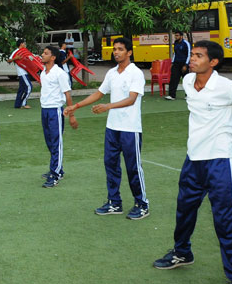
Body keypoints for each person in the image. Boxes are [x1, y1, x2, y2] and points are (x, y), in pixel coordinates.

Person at [152, 40, 232, 283]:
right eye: (192, 55)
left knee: (226, 220)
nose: (192, 59)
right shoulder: (188, 81)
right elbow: (211, 105)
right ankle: (182, 253)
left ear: (213, 62)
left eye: (199, 56)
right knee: (184, 212)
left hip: (220, 160)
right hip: (193, 159)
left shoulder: (229, 86)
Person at [64, 37, 149, 219]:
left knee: (133, 167)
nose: (116, 52)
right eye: (114, 49)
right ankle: (114, 202)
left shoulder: (136, 73)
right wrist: (76, 106)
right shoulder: (111, 73)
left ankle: (142, 204)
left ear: (129, 53)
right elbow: (98, 93)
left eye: (120, 49)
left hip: (130, 128)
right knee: (110, 165)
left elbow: (132, 99)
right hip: (112, 128)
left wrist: (107, 107)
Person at [39, 46, 77, 188]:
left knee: (56, 142)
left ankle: (55, 175)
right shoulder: (44, 72)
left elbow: (67, 94)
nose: (42, 54)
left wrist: (71, 114)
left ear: (53, 57)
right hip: (45, 110)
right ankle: (57, 169)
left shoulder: (59, 73)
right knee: (49, 142)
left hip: (55, 111)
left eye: (46, 53)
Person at [166, 31, 191, 101]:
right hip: (176, 63)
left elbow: (189, 54)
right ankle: (172, 95)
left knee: (186, 80)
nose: (176, 37)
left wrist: (186, 65)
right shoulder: (176, 43)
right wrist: (172, 63)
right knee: (173, 79)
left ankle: (188, 95)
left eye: (177, 35)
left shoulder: (186, 43)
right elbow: (175, 54)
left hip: (184, 64)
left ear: (181, 36)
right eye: (175, 36)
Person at [9, 39, 32, 109]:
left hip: (25, 72)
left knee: (21, 89)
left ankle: (17, 104)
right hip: (22, 73)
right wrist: (15, 58)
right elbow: (9, 60)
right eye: (24, 43)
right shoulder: (16, 52)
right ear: (21, 44)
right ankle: (23, 103)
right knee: (29, 87)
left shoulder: (25, 51)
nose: (25, 44)